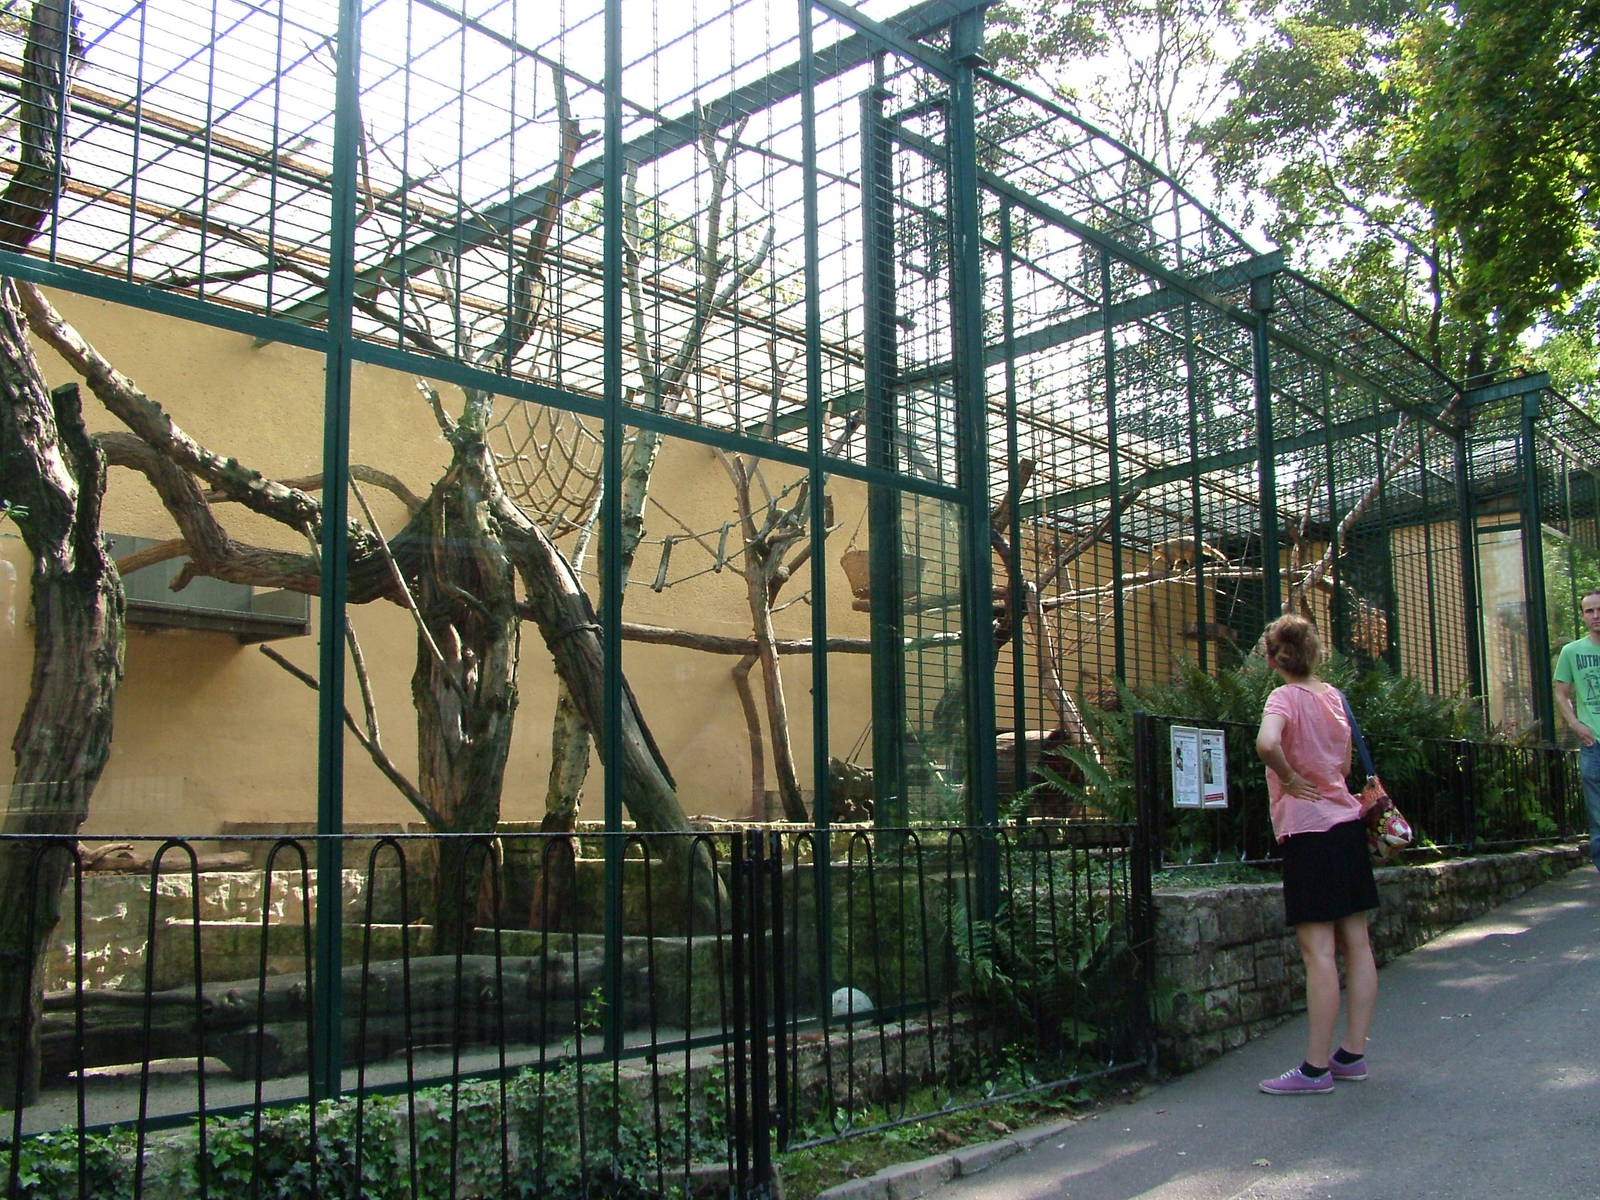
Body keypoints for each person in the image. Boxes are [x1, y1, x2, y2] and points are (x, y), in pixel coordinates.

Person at [1253, 614, 1379, 1096]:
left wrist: (1287, 775)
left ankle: (1313, 1069)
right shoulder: (1334, 698)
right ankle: (1351, 1054)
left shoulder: (1283, 697)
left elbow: (1267, 743)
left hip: (1308, 833)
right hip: (1346, 827)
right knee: (1358, 944)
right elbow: (1344, 765)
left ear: (1273, 659)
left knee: (1319, 953)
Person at [1552, 588, 1600, 872]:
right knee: (1597, 813)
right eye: (1590, 611)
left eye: (1599, 609)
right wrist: (1575, 724)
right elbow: (1561, 693)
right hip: (1593, 742)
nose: (1596, 616)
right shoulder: (1572, 651)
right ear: (1583, 616)